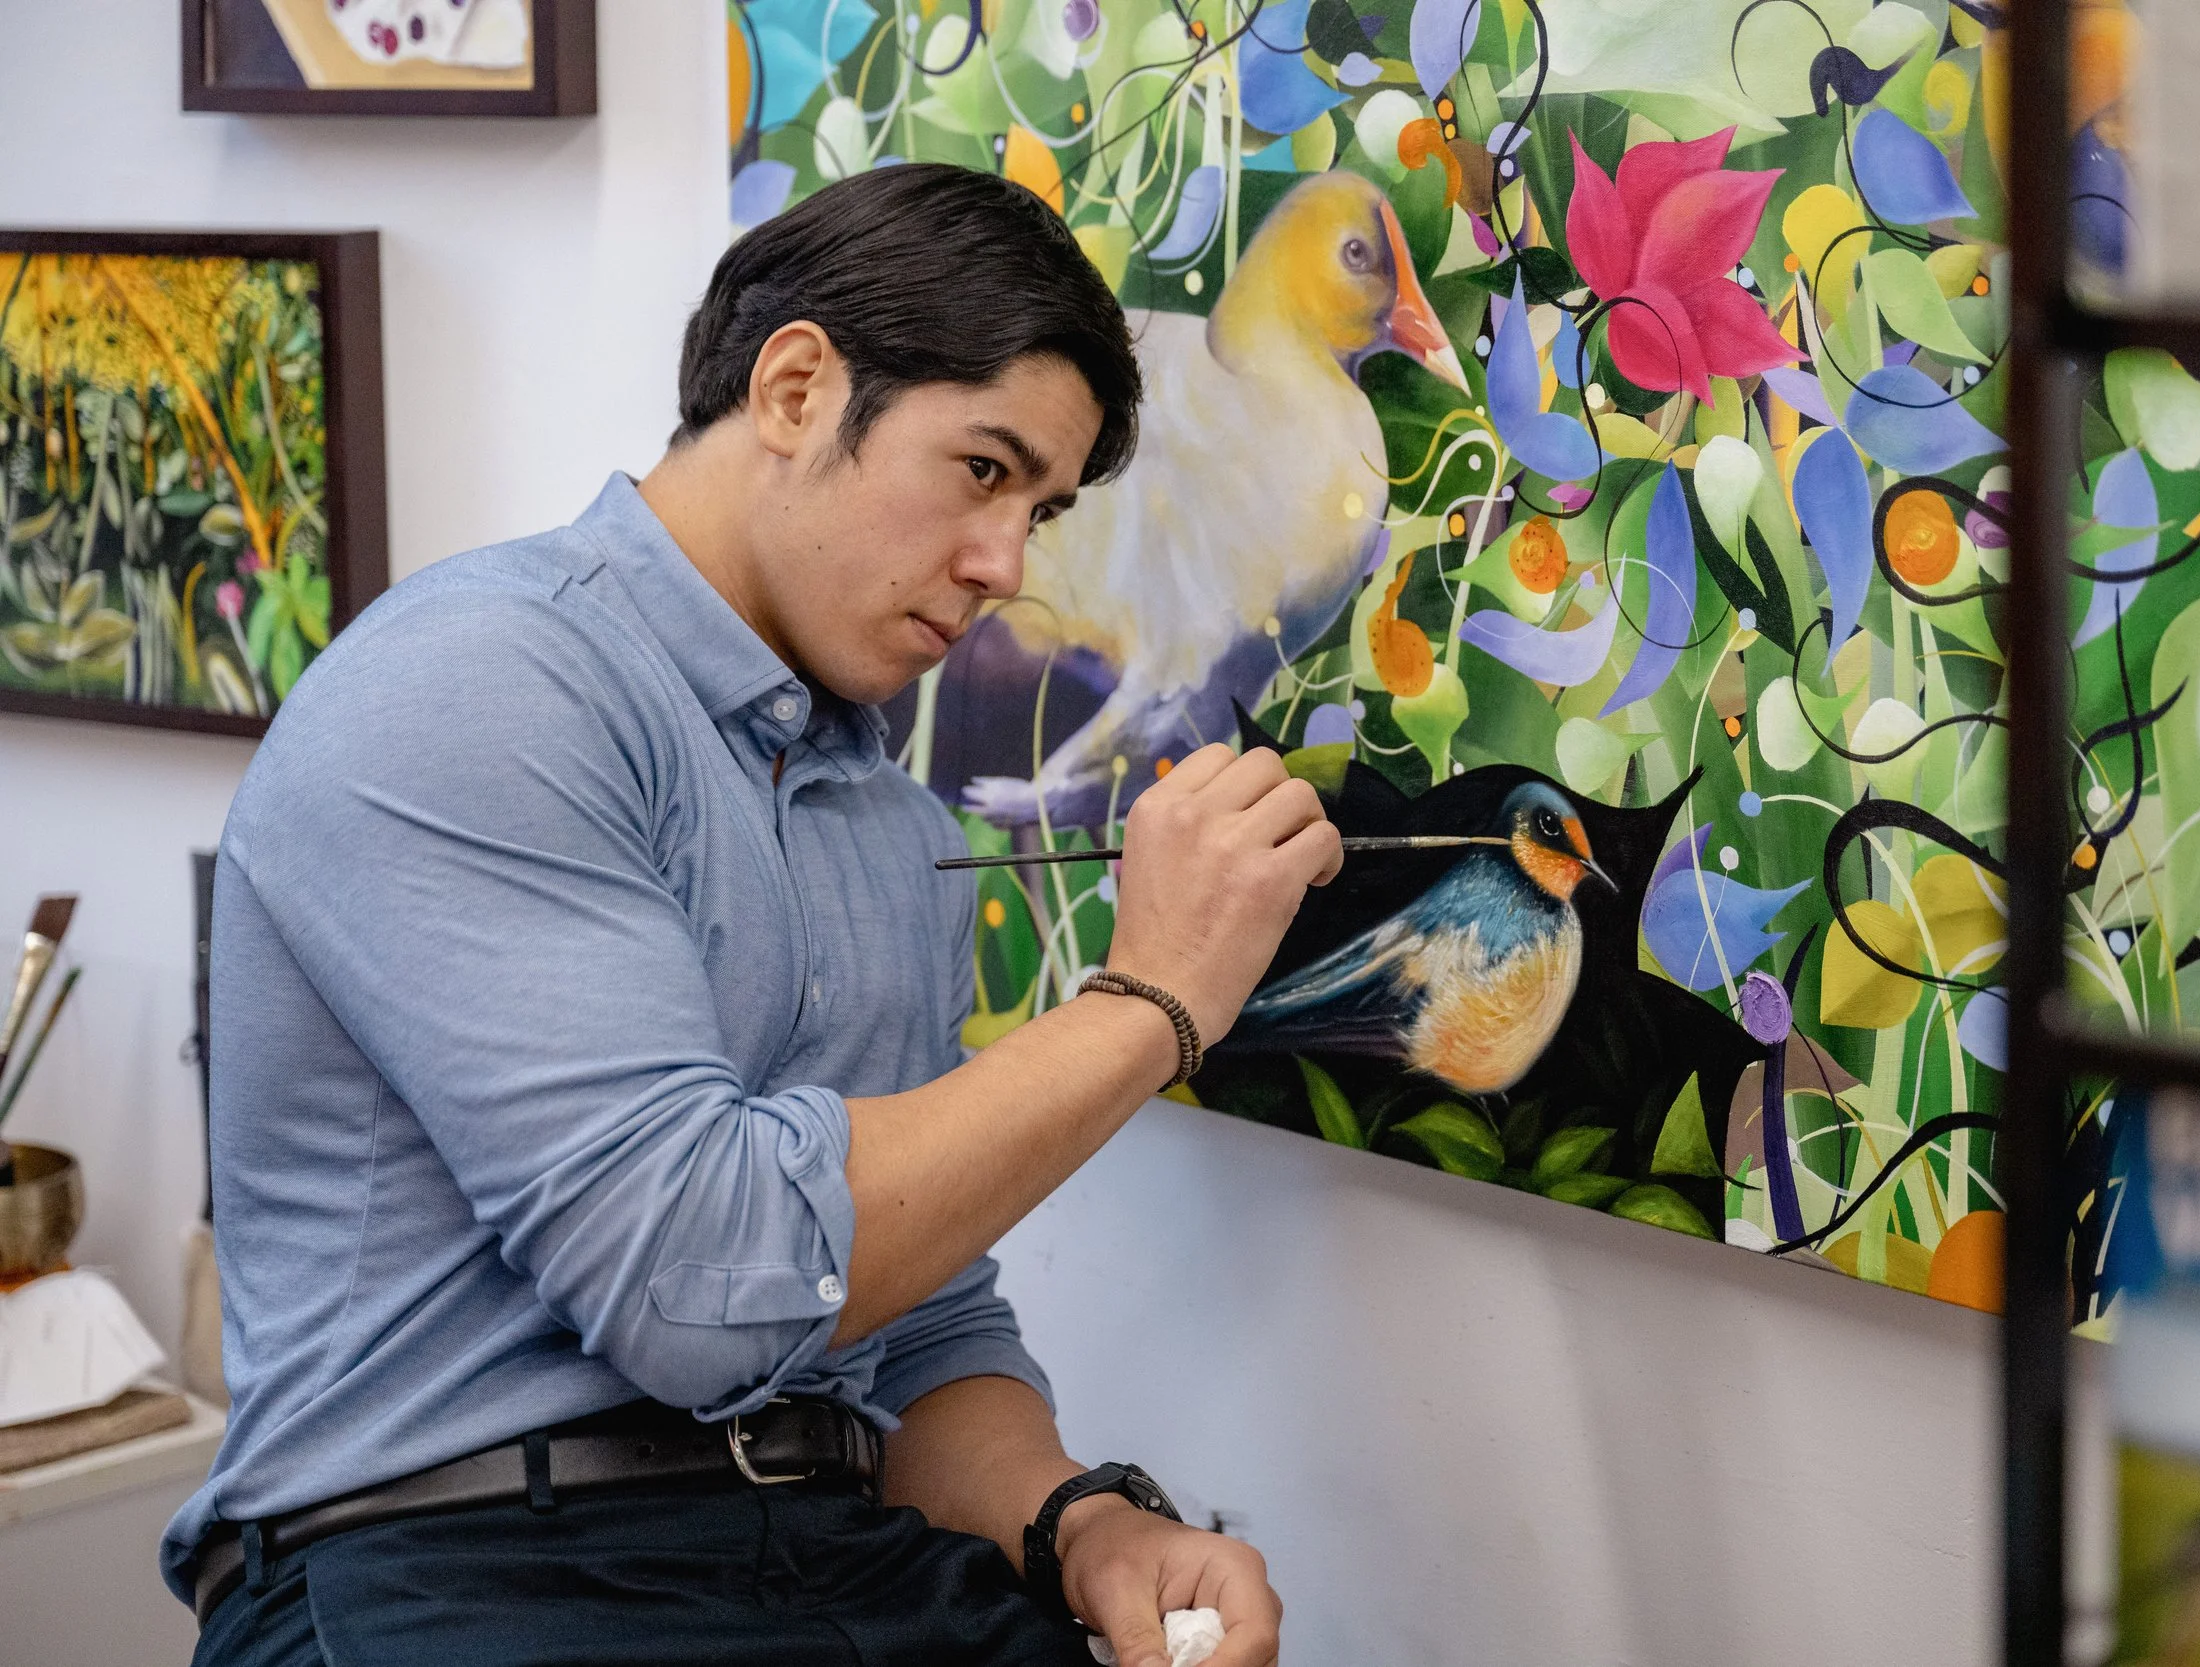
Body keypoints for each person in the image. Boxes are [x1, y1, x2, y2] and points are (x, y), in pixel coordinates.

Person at [167, 163, 1342, 1667]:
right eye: (984, 470)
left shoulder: (891, 826)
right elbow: (696, 1281)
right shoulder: (473, 689)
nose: (1005, 567)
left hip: (830, 1559)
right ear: (794, 388)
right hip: (451, 1573)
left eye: (1038, 511)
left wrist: (1083, 1522)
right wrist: (1152, 1002)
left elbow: (909, 1322)